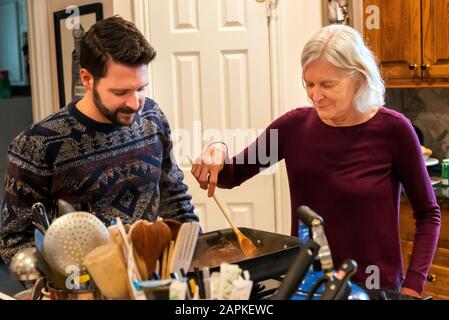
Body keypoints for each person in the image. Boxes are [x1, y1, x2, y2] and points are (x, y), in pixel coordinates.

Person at [191, 24, 441, 297]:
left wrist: (413, 287)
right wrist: (218, 148)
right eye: (309, 84)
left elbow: (428, 214)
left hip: (375, 287)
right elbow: (230, 176)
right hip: (308, 286)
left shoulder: (395, 131)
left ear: (358, 77)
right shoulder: (292, 128)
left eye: (327, 85)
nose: (315, 95)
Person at [0, 16, 198, 264]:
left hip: (155, 280)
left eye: (141, 88)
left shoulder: (152, 117)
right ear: (87, 79)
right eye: (120, 92)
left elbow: (174, 196)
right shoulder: (37, 144)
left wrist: (194, 254)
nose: (135, 102)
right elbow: (15, 242)